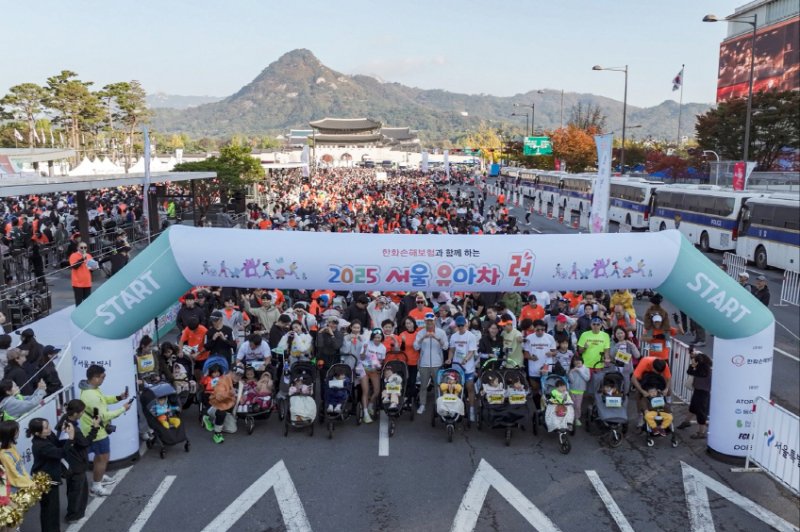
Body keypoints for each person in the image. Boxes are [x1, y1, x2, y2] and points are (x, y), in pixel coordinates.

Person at [78, 364, 131, 496]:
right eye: (103, 377)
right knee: (103, 458)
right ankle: (96, 486)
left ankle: (99, 478)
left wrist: (118, 398)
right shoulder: (91, 395)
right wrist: (123, 408)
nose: (104, 379)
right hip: (97, 432)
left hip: (93, 429)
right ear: (95, 378)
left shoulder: (91, 389)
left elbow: (103, 400)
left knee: (99, 457)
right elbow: (103, 416)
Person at [58, 399, 101, 522]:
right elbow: (85, 443)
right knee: (77, 492)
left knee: (73, 490)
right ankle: (73, 515)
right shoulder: (74, 429)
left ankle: (76, 513)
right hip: (77, 464)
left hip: (69, 463)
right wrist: (95, 428)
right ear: (76, 413)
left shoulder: (64, 420)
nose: (83, 414)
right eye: (82, 412)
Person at [29, 417, 72, 532]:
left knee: (52, 509)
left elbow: (58, 444)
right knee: (49, 510)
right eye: (46, 428)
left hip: (50, 477)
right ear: (37, 433)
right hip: (45, 480)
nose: (49, 429)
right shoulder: (40, 445)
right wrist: (71, 439)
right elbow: (60, 453)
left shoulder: (47, 436)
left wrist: (64, 432)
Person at [413, 313, 448, 415]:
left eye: (431, 321)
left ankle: (438, 404)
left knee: (438, 385)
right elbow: (416, 347)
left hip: (437, 363)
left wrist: (436, 338)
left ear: (434, 321)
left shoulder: (441, 332)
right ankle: (422, 404)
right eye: (427, 321)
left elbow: (446, 346)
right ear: (425, 322)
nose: (429, 323)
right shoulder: (420, 332)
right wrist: (423, 337)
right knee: (423, 386)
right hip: (424, 363)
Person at [446, 315, 478, 421]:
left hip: (468, 367)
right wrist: (450, 359)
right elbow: (451, 350)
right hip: (456, 367)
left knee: (469, 387)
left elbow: (471, 351)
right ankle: (454, 408)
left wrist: (466, 359)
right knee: (454, 388)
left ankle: (472, 409)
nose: (460, 327)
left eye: (462, 325)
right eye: (458, 326)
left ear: (466, 325)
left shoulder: (471, 336)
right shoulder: (454, 336)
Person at [522, 319, 556, 408]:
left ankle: (547, 409)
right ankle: (536, 409)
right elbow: (525, 354)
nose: (540, 331)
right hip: (533, 369)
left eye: (542, 329)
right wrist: (531, 357)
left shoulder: (550, 337)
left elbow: (555, 352)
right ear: (534, 328)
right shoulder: (529, 338)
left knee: (546, 390)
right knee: (535, 390)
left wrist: (551, 353)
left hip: (546, 367)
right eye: (538, 329)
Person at [680, 351, 712, 440]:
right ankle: (687, 422)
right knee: (693, 408)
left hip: (702, 394)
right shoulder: (707, 370)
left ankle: (701, 432)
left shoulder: (701, 372)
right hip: (700, 392)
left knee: (701, 413)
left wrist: (692, 365)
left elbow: (689, 371)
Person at [202, 364, 237, 444]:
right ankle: (217, 433)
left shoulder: (238, 381)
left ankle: (214, 421)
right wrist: (229, 394)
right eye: (214, 372)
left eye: (217, 372)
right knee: (221, 410)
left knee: (232, 429)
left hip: (228, 405)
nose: (216, 374)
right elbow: (219, 396)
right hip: (217, 400)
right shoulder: (221, 380)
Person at [0, 420, 32, 494]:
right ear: (10, 434)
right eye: (17, 430)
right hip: (16, 490)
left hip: (24, 485)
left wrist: (29, 480)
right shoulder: (4, 455)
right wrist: (31, 484)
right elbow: (14, 476)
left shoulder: (12, 446)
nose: (19, 432)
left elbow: (21, 468)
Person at [610, 325, 640, 394]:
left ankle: (625, 398)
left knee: (626, 389)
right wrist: (617, 345)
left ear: (625, 333)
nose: (620, 335)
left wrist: (632, 345)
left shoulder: (629, 343)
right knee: (617, 388)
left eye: (621, 333)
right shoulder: (613, 343)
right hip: (616, 369)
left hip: (627, 370)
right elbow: (611, 354)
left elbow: (637, 355)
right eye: (618, 333)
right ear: (615, 335)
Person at [568, 358, 590, 426]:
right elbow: (571, 381)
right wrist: (571, 372)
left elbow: (587, 378)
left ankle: (577, 418)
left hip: (580, 390)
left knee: (578, 406)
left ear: (582, 363)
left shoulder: (586, 369)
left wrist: (580, 371)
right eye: (576, 363)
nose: (578, 365)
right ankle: (570, 418)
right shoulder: (572, 369)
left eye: (579, 363)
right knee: (571, 405)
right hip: (572, 390)